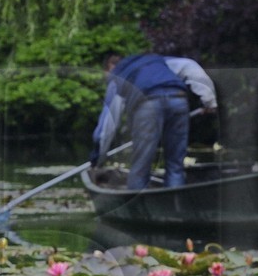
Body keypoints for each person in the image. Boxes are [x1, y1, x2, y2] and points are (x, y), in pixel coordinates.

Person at [90, 52, 218, 191]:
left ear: (109, 68)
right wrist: (209, 102)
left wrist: (97, 160)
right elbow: (190, 66)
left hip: (147, 105)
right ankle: (175, 201)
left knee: (141, 166)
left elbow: (107, 128)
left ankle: (137, 202)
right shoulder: (155, 61)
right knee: (175, 166)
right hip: (178, 99)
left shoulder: (118, 75)